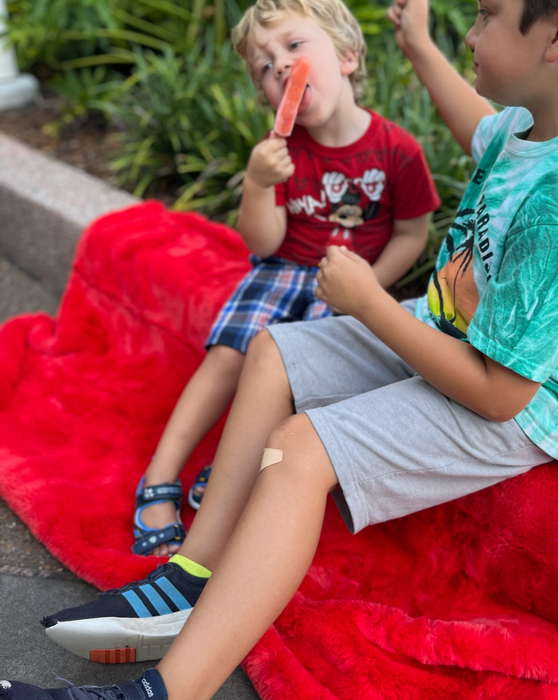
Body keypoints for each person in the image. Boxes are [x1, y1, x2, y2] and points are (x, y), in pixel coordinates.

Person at [3, 0, 558, 696]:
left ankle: (170, 690)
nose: (470, 35)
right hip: (458, 334)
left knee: (299, 450)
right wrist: (416, 45)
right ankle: (190, 579)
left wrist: (372, 305)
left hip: (529, 399)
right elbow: (485, 132)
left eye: (486, 17)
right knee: (273, 351)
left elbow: (501, 395)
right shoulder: (542, 125)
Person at [131, 0, 440, 558]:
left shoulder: (398, 151)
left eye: (294, 47)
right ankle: (160, 472)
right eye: (263, 66)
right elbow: (262, 242)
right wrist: (256, 183)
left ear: (346, 57)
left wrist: (367, 286)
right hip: (281, 269)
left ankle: (234, 473)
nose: (279, 67)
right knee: (229, 358)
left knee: (300, 386)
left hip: (350, 283)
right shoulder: (278, 152)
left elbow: (413, 233)